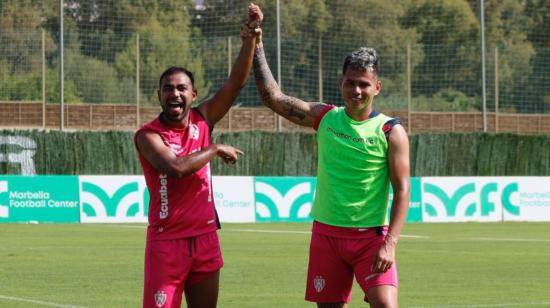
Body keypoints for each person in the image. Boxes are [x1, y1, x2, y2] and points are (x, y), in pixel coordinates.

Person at [253, 40, 410, 307]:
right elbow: (274, 99)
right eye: (350, 83)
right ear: (340, 83)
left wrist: (390, 242)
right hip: (327, 236)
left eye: (364, 84)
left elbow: (403, 189)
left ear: (377, 87)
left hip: (370, 238)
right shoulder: (325, 117)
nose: (356, 90)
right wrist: (256, 46)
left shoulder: (390, 131)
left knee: (385, 304)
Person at [134, 4, 263, 308]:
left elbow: (235, 84)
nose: (174, 94)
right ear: (159, 95)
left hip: (205, 238)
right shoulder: (147, 136)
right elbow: (176, 168)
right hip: (167, 244)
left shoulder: (203, 119)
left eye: (181, 88)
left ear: (193, 95)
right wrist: (215, 148)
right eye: (168, 89)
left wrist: (250, 38)